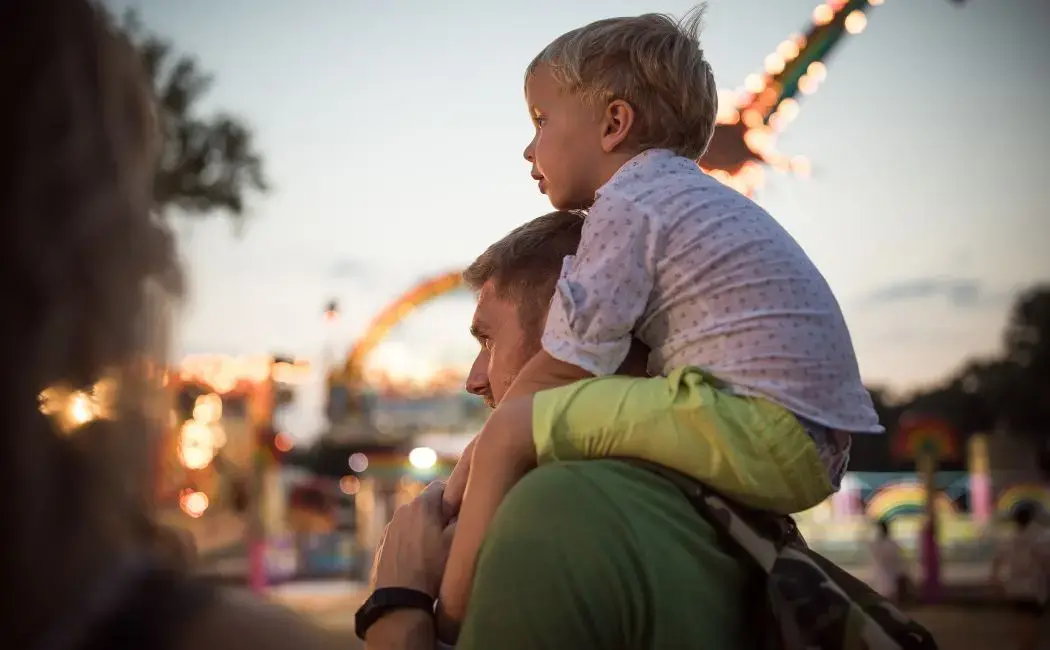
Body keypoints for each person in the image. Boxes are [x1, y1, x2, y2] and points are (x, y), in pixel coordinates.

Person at [441, 7, 881, 623]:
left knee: (513, 430)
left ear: (614, 123)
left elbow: (555, 376)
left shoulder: (629, 206)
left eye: (541, 120)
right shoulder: (692, 199)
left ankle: (450, 610)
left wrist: (456, 487)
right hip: (818, 443)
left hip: (762, 425)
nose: (527, 147)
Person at [363, 211, 756, 649]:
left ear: (568, 336)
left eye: (487, 341)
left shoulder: (557, 509)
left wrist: (396, 600)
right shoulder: (701, 488)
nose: (473, 379)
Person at [991, 505, 1049, 650]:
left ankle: (1024, 645)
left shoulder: (1011, 537)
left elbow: (997, 560)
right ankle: (1028, 646)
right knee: (1031, 620)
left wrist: (995, 578)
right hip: (1033, 586)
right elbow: (1045, 560)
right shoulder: (1039, 537)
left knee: (1021, 620)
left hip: (1015, 586)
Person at [868, 519, 909, 605]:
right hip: (890, 581)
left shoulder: (877, 545)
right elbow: (900, 561)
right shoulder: (892, 544)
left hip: (882, 581)